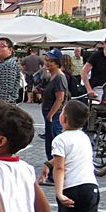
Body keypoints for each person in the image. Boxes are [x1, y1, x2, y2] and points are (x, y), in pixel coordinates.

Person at [39, 100, 100, 212]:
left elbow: (60, 168)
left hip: (71, 188)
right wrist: (47, 164)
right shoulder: (84, 138)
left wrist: (58, 193)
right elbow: (72, 158)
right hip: (91, 187)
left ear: (63, 118)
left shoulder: (60, 139)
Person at [41, 49, 69, 184]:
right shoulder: (51, 76)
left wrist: (51, 114)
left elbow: (60, 98)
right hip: (50, 114)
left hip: (55, 115)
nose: (48, 63)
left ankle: (55, 175)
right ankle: (53, 174)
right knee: (50, 144)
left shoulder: (59, 77)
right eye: (47, 61)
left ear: (58, 63)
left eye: (51, 61)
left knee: (55, 144)